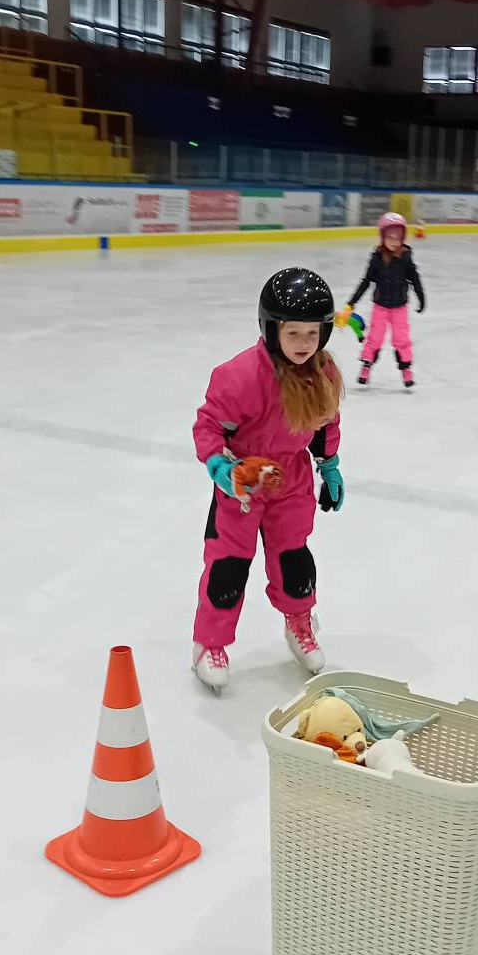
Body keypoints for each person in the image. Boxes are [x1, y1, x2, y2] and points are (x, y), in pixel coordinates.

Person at [191, 267, 345, 692]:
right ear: (272, 329)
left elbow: (325, 423)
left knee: (294, 558)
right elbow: (209, 427)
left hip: (292, 480)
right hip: (244, 481)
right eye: (293, 333)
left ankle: (299, 621)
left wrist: (329, 465)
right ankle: (209, 644)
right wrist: (221, 468)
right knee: (229, 565)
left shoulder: (323, 373)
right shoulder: (240, 376)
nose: (303, 343)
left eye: (312, 333)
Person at [345, 211, 425, 389]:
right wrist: (352, 302)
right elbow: (366, 282)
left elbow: (415, 279)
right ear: (382, 237)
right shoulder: (376, 258)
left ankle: (406, 369)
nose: (394, 241)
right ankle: (366, 366)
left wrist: (421, 298)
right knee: (375, 338)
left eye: (398, 237)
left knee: (401, 339)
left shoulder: (405, 257)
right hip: (380, 307)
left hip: (399, 307)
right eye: (390, 237)